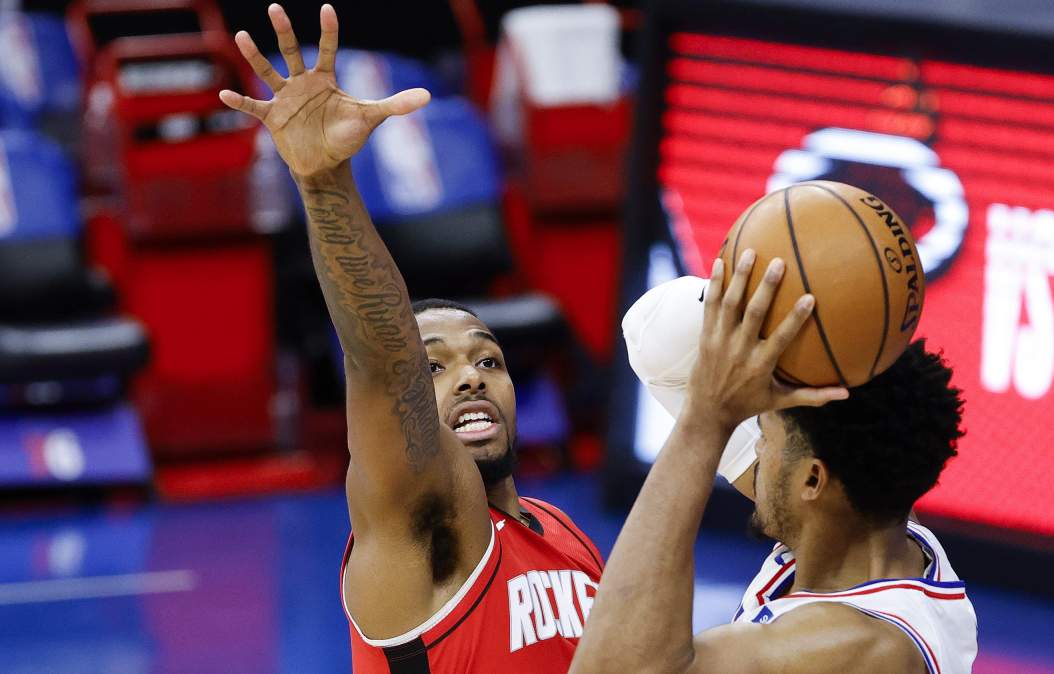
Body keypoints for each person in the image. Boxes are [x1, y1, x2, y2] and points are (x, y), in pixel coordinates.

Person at [219, 5, 603, 672]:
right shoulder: (421, 530)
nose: (472, 376)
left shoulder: (566, 532)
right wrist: (323, 181)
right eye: (435, 368)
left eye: (489, 360)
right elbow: (382, 361)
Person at [572, 252, 977, 673]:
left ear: (813, 480)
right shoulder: (877, 520)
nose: (756, 450)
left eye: (764, 436)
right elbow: (651, 335)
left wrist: (705, 424)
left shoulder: (857, 651)